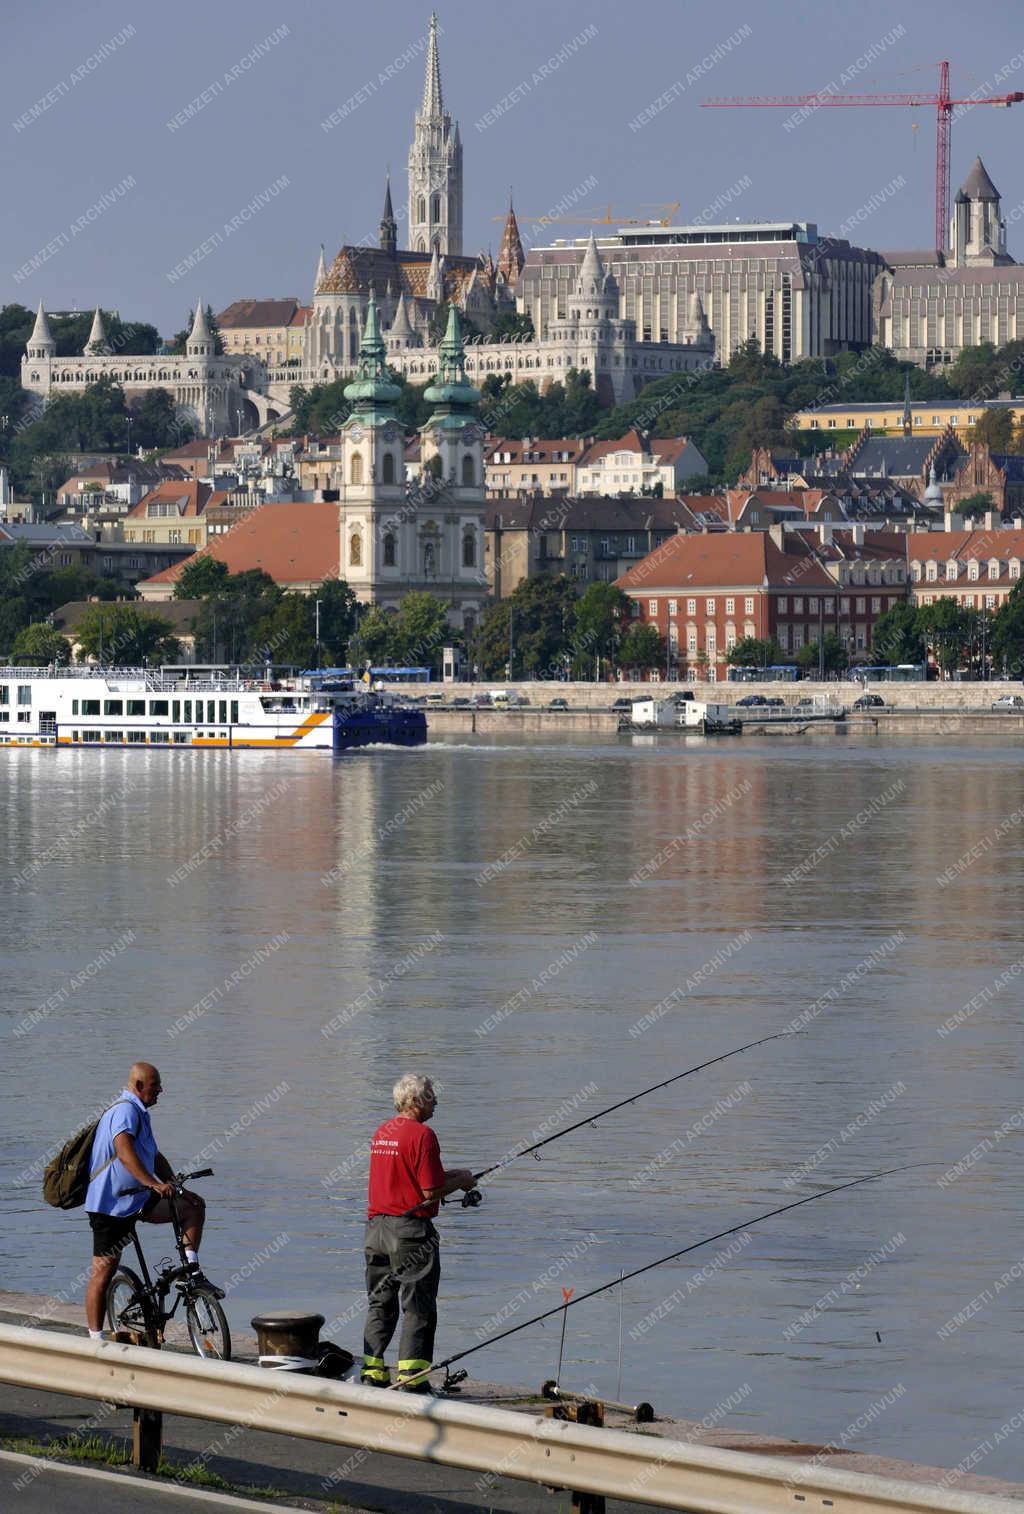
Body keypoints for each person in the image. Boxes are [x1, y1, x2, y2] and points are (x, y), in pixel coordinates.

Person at [84, 1062, 221, 1340]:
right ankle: (95, 1340)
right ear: (138, 1086)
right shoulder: (124, 1110)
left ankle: (190, 1272)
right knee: (104, 1270)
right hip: (111, 1205)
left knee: (193, 1207)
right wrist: (153, 1184)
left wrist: (174, 1185)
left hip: (138, 1199)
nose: (161, 1089)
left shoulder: (140, 1113)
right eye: (155, 1085)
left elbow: (154, 1156)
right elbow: (124, 1152)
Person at [361, 1073, 474, 1391]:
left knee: (379, 1302)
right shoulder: (423, 1135)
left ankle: (373, 1372)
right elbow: (429, 1192)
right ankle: (412, 1380)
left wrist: (457, 1175)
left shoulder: (383, 1131)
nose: (436, 1101)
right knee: (418, 1306)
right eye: (431, 1096)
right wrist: (463, 1183)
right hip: (409, 1232)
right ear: (414, 1101)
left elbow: (413, 1178)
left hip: (375, 1230)